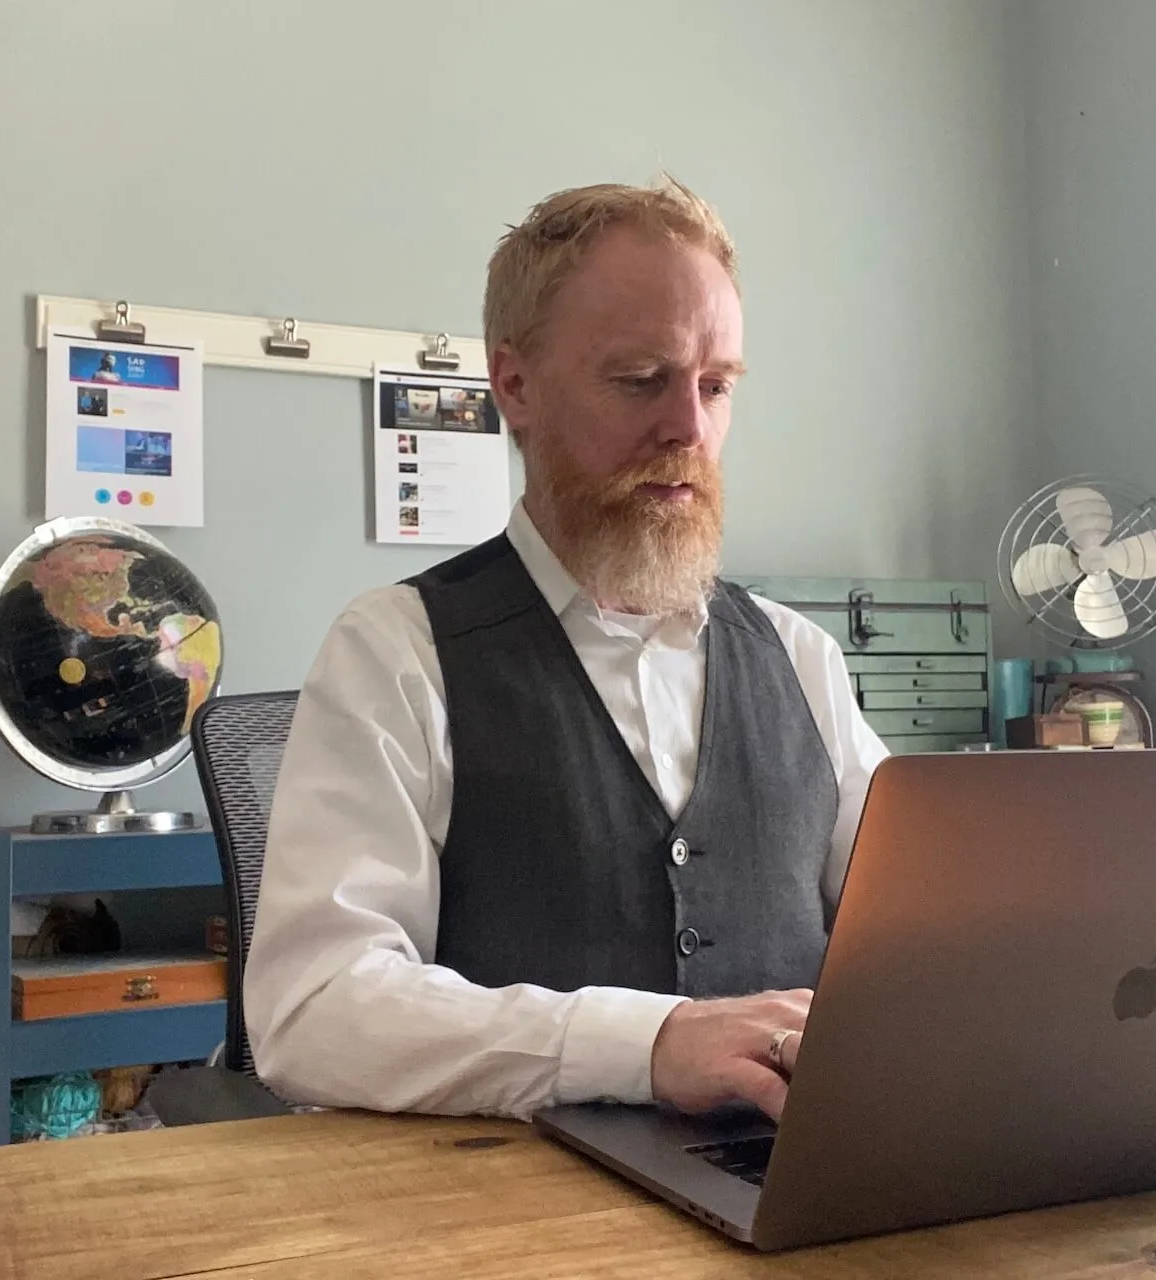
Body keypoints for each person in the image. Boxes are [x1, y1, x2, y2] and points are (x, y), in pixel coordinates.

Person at [241, 176, 888, 1124]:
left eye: (716, 387)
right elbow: (314, 1009)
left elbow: (917, 934)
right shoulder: (398, 653)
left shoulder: (799, 658)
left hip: (785, 1202)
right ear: (514, 386)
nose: (690, 430)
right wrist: (645, 1045)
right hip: (515, 1224)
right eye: (641, 381)